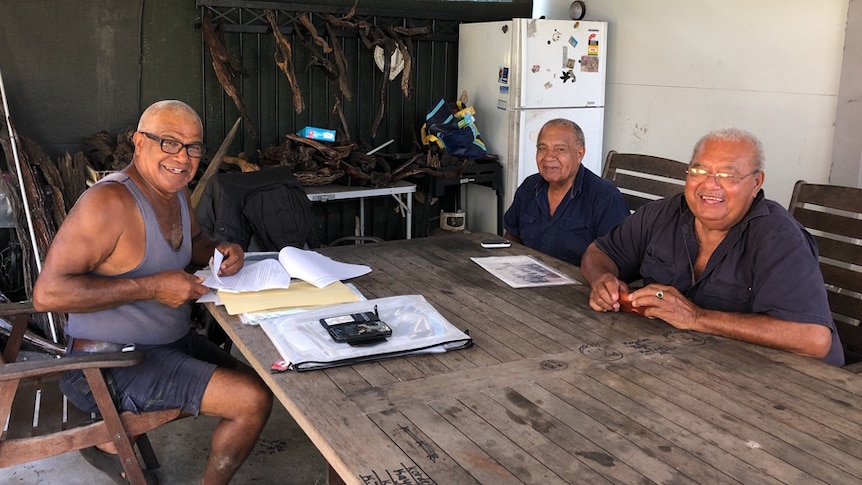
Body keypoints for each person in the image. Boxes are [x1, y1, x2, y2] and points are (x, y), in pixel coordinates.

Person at [32, 100, 273, 484]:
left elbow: (193, 241)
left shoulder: (174, 191)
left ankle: (111, 444)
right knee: (251, 400)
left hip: (172, 343)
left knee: (264, 384)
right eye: (170, 142)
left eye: (194, 147)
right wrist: (151, 288)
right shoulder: (109, 202)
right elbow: (48, 294)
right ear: (139, 142)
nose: (183, 157)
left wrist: (222, 251)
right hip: (108, 363)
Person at [581, 128, 844, 366]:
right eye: (699, 171)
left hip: (792, 385)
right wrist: (603, 280)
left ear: (756, 183)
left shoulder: (778, 238)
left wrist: (696, 318)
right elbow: (599, 253)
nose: (709, 184)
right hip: (691, 365)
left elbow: (813, 339)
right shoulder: (663, 214)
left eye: (727, 174)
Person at [503, 118, 629, 266]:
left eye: (560, 149)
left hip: (581, 283)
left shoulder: (605, 197)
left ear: (579, 154)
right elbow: (512, 235)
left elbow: (618, 259)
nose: (549, 157)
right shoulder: (529, 187)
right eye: (542, 148)